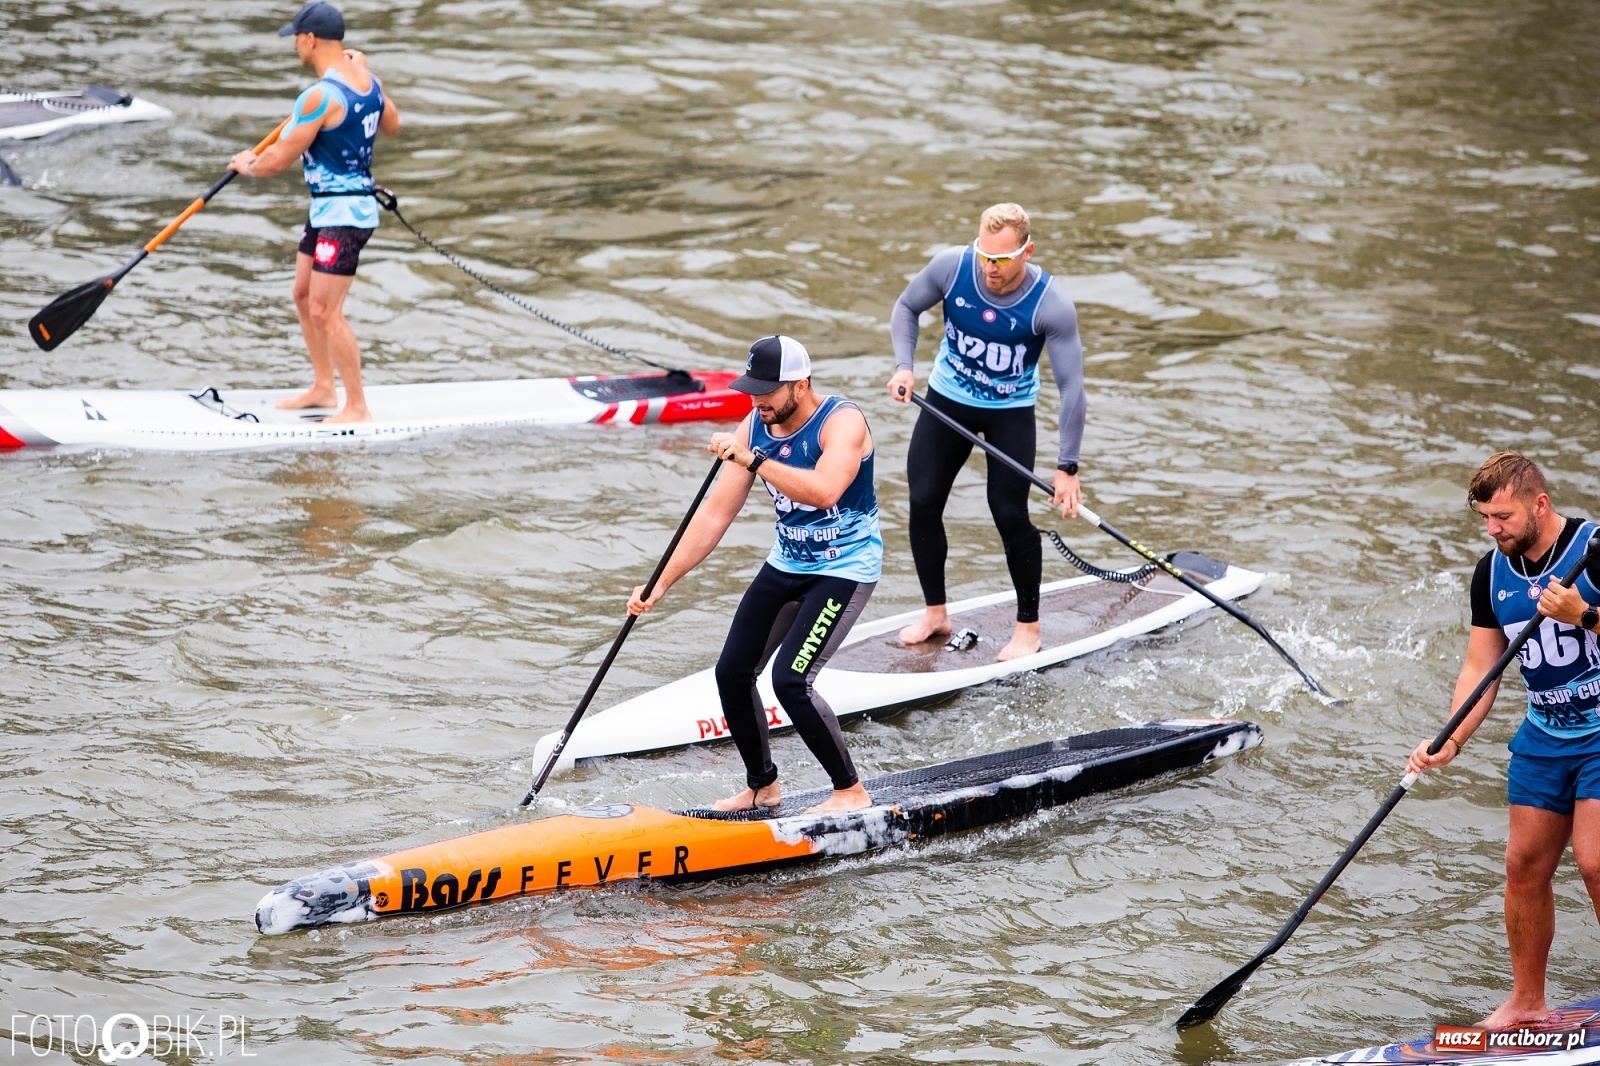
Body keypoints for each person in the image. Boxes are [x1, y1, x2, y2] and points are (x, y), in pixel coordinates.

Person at [629, 336, 881, 814]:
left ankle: (850, 791)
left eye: (767, 391)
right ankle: (763, 786)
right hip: (787, 563)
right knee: (732, 673)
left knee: (791, 680)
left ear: (800, 385)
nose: (757, 400)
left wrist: (755, 459)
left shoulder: (842, 422)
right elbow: (715, 515)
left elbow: (826, 491)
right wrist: (660, 582)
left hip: (844, 569)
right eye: (751, 389)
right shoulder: (755, 425)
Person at [1408, 452, 1600, 1030]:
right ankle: (1526, 1002)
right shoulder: (1490, 575)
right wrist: (1453, 737)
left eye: (1503, 517)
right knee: (1522, 867)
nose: (1492, 529)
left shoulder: (1595, 550)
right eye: (1485, 519)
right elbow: (1481, 668)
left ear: (1540, 504)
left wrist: (1585, 615)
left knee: (1595, 862)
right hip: (1545, 735)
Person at [885, 202, 1086, 661]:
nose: (989, 267)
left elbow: (1072, 388)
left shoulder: (1051, 304)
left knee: (1008, 513)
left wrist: (1067, 467)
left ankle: (1028, 630)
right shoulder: (952, 268)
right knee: (923, 501)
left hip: (1009, 412)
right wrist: (904, 366)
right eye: (983, 254)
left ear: (1027, 252)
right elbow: (906, 307)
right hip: (947, 400)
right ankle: (936, 614)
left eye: (1001, 259)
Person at [228, 2, 400, 423]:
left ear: (310, 39)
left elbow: (276, 161)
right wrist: (367, 73)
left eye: (296, 39)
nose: (294, 47)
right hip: (326, 209)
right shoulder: (368, 81)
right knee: (303, 296)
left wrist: (247, 164)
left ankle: (357, 407)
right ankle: (324, 388)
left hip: (345, 217)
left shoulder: (319, 97)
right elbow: (392, 125)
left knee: (325, 311)